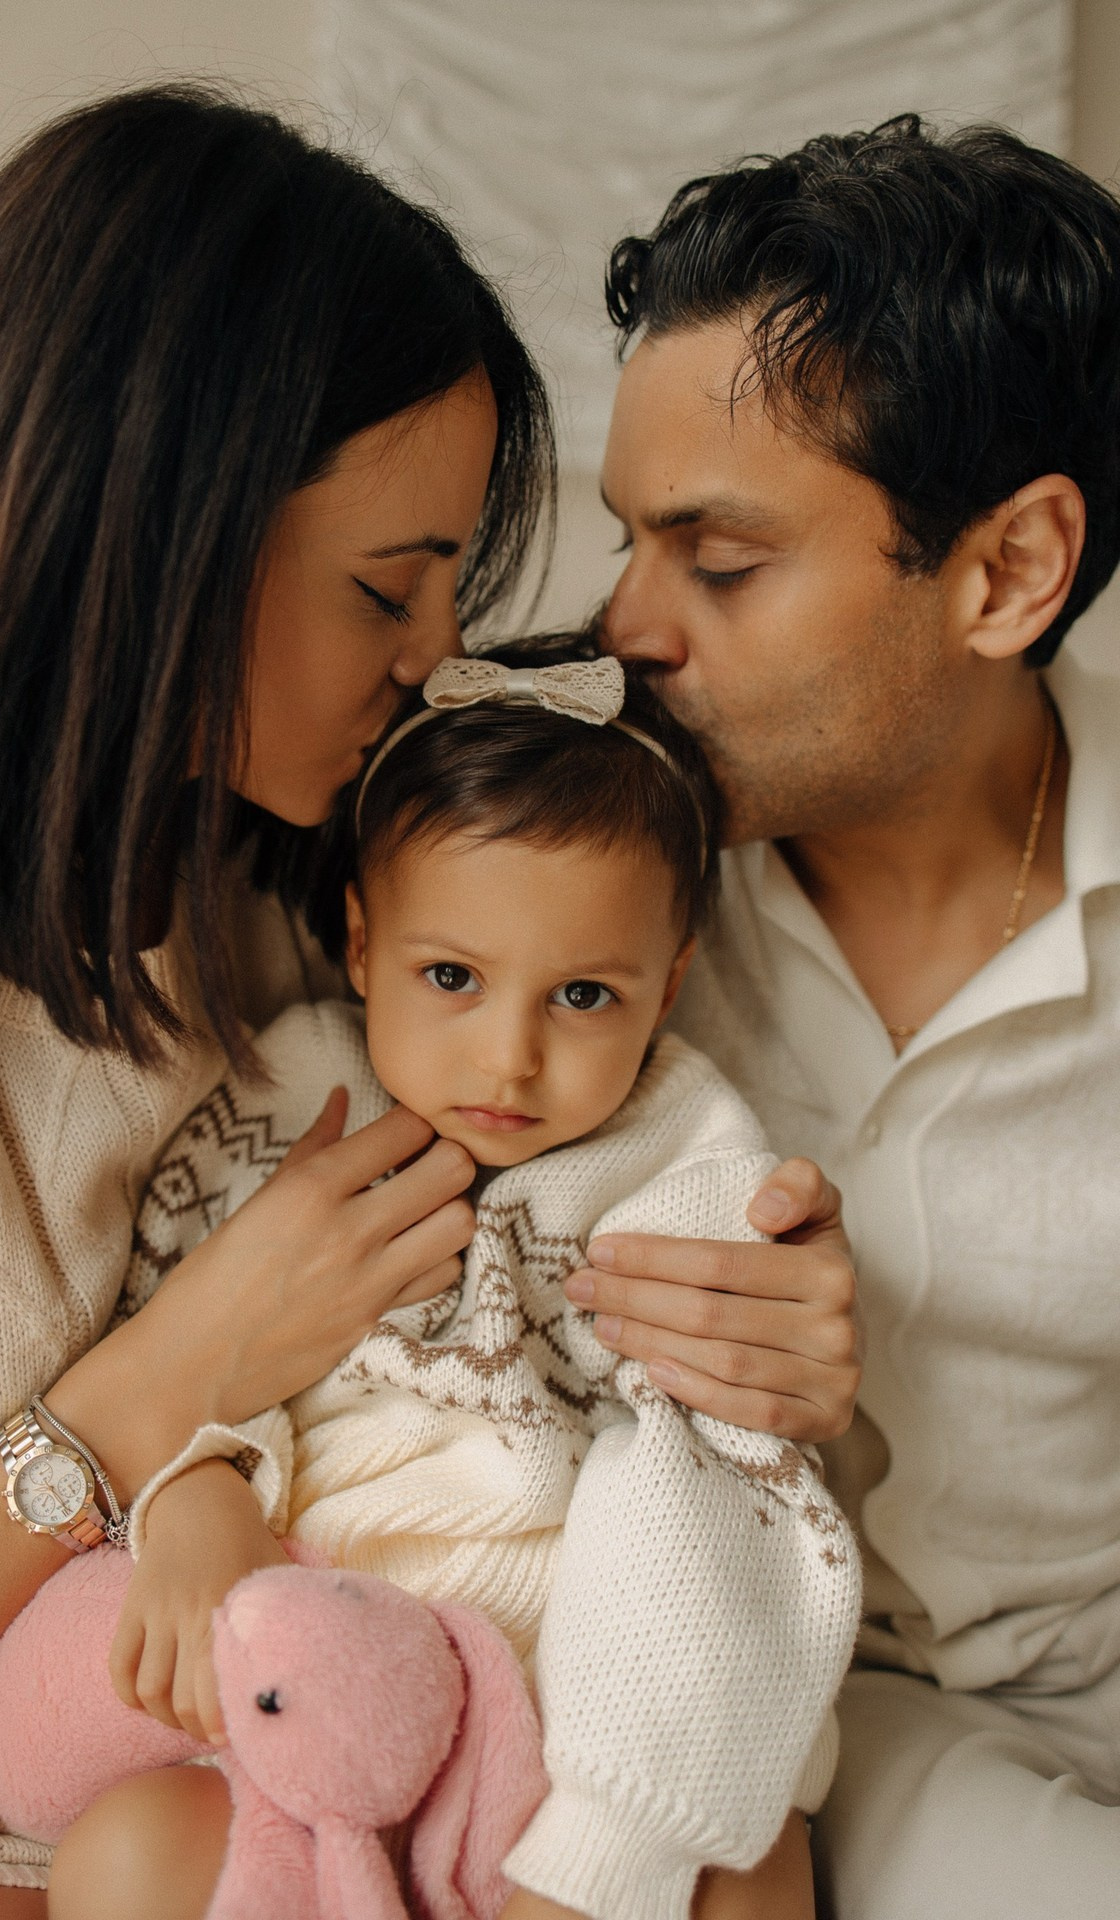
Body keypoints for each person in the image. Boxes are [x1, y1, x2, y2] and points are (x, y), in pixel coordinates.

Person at [0, 85, 858, 1918]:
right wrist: (165, 1382)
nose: (430, 662)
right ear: (151, 539)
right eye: (389, 591)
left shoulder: (285, 865)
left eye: (450, 592)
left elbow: (585, 858)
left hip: (382, 1704)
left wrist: (761, 1316)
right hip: (3, 1797)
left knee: (746, 1845)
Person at [34, 644, 860, 1920]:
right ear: (361, 941)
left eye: (583, 994)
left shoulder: (684, 1162)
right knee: (126, 1856)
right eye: (452, 978)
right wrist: (197, 1489)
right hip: (327, 1686)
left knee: (751, 1860)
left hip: (577, 1698)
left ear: (671, 982)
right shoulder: (282, 1097)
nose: (509, 1057)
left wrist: (603, 1852)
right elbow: (171, 1340)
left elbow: (717, 1496)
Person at [588, 117, 1120, 1919]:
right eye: (628, 544)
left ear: (1008, 573)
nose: (622, 623)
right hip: (842, 1716)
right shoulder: (560, 875)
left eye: (717, 564)